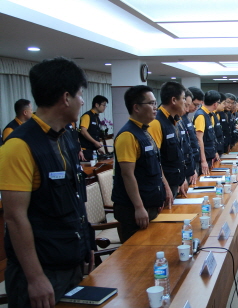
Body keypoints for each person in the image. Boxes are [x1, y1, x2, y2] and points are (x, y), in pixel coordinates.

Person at [0, 57, 95, 307]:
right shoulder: (19, 145)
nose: (82, 101)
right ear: (66, 98)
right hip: (42, 272)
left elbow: (74, 199)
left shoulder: (66, 137)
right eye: (80, 94)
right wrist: (35, 277)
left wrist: (87, 245)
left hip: (70, 259)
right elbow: (14, 217)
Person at [111, 85, 172, 243]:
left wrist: (164, 187)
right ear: (136, 107)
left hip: (150, 203)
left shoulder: (145, 131)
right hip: (134, 209)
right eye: (151, 103)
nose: (155, 107)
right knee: (136, 256)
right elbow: (127, 174)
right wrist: (138, 207)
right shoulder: (127, 135)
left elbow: (156, 164)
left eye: (155, 103)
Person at [148, 81, 189, 199]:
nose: (185, 102)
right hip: (165, 186)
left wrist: (181, 180)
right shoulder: (157, 122)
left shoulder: (174, 120)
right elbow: (155, 160)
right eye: (183, 98)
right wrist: (165, 186)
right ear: (174, 100)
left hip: (175, 182)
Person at [193, 90, 220, 175]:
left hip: (210, 155)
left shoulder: (209, 114)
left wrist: (215, 152)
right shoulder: (201, 115)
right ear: (215, 104)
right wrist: (203, 161)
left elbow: (211, 136)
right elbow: (199, 139)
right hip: (204, 159)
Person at [79, 95, 107, 160]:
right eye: (103, 105)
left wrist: (98, 148)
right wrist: (95, 142)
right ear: (97, 105)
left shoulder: (96, 117)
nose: (105, 107)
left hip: (93, 151)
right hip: (86, 150)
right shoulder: (87, 116)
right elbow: (83, 131)